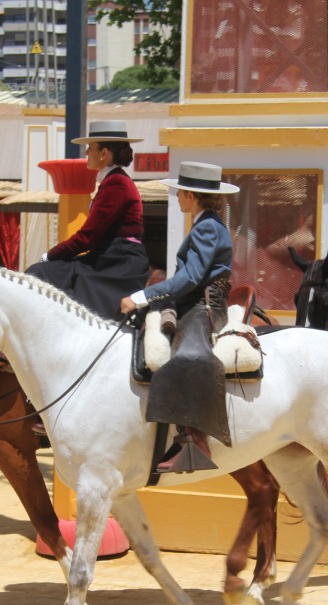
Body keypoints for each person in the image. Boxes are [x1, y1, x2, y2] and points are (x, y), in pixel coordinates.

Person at [119, 161, 240, 473]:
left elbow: (191, 277)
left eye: (179, 193)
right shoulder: (204, 223)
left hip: (204, 305)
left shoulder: (209, 227)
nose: (175, 197)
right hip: (191, 300)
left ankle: (195, 442)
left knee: (187, 354)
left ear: (191, 195)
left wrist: (141, 296)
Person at [25, 120, 150, 319]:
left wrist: (49, 256)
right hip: (109, 256)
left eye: (90, 148)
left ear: (104, 153)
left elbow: (87, 237)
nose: (86, 153)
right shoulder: (114, 181)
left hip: (119, 261)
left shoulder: (116, 183)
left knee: (39, 272)